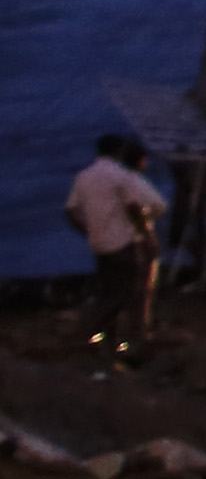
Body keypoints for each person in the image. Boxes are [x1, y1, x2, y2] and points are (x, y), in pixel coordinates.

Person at [65, 133, 165, 362]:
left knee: (109, 288)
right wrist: (146, 234)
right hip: (124, 243)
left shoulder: (84, 176)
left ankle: (107, 343)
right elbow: (133, 207)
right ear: (119, 152)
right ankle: (92, 328)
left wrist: (88, 231)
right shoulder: (120, 176)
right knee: (130, 292)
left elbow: (71, 211)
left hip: (99, 245)